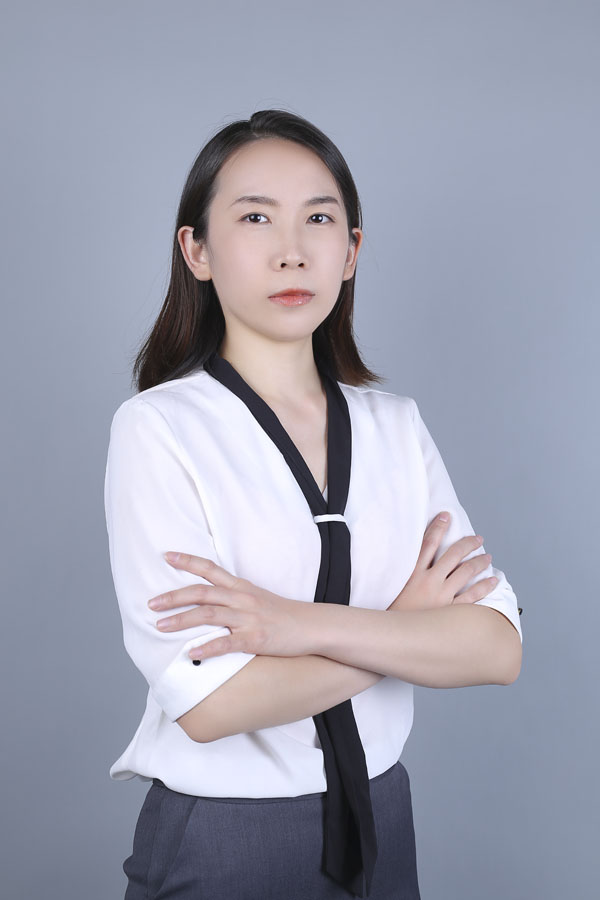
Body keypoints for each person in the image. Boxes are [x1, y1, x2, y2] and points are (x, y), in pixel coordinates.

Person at [104, 109, 523, 900]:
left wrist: (295, 627)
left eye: (320, 219)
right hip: (228, 839)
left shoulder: (395, 426)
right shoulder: (159, 429)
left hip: (383, 820)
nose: (292, 250)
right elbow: (212, 703)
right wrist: (404, 627)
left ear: (351, 250)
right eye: (255, 217)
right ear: (197, 250)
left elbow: (496, 648)